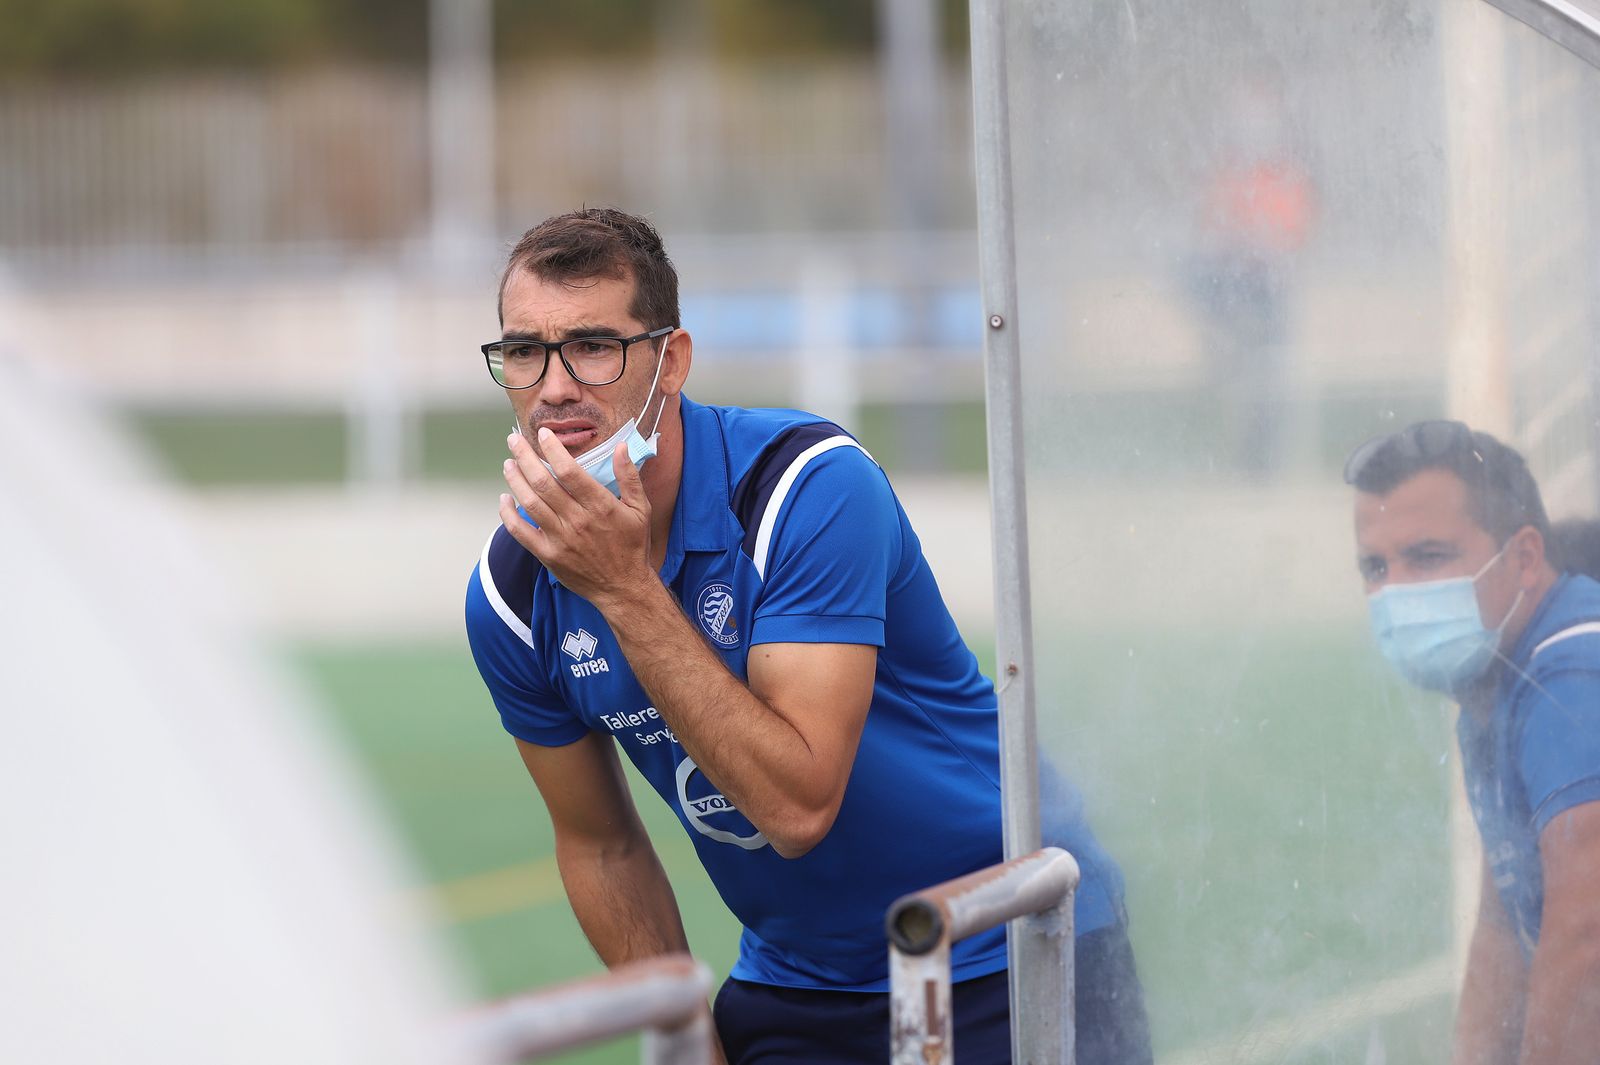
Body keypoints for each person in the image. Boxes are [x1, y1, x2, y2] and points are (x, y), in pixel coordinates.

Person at [464, 207, 1151, 1064]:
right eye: (524, 351)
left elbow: (797, 807)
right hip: (798, 980)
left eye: (593, 346)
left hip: (1003, 937)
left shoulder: (805, 488)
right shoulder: (513, 593)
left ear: (671, 360)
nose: (555, 386)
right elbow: (600, 845)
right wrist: (689, 1038)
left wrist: (625, 589)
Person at [1344, 420, 1600, 1064]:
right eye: (1376, 567)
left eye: (1428, 556)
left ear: (1525, 558)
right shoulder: (1497, 682)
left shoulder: (1572, 673)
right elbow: (1504, 921)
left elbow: (1586, 936)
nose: (1395, 590)